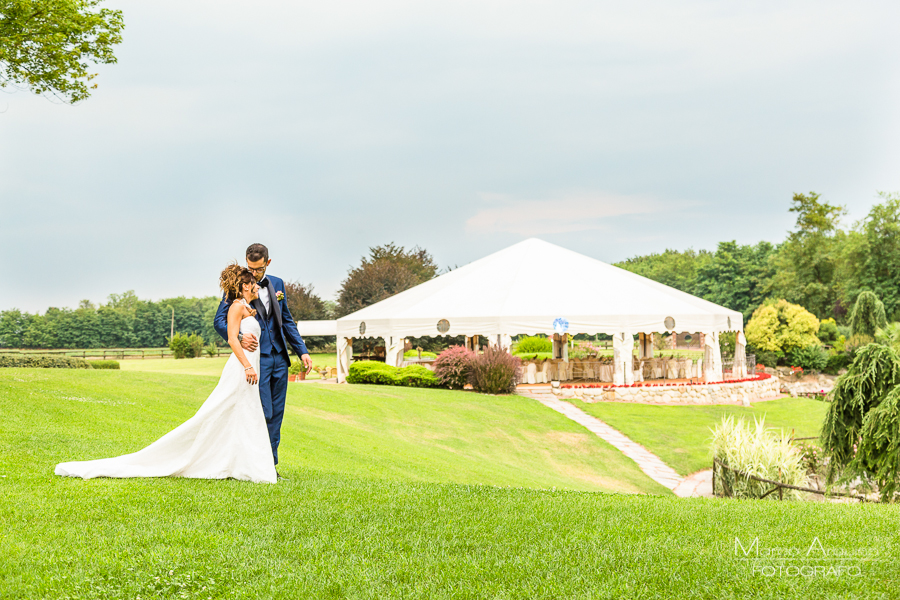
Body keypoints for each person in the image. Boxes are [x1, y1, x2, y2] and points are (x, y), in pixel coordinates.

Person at [55, 264, 277, 483]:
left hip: (250, 367)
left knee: (244, 413)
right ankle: (233, 463)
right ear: (245, 286)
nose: (257, 286)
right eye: (253, 283)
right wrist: (247, 366)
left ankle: (240, 463)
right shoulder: (237, 307)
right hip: (242, 369)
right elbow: (231, 338)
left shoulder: (249, 308)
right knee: (222, 411)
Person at [214, 243, 312, 475]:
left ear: (267, 263)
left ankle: (271, 466)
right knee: (263, 412)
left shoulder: (277, 284)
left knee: (277, 414)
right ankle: (256, 463)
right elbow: (220, 321)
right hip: (258, 359)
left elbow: (286, 320)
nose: (254, 275)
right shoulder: (240, 285)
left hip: (280, 358)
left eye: (258, 270)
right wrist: (239, 336)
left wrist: (303, 350)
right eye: (250, 268)